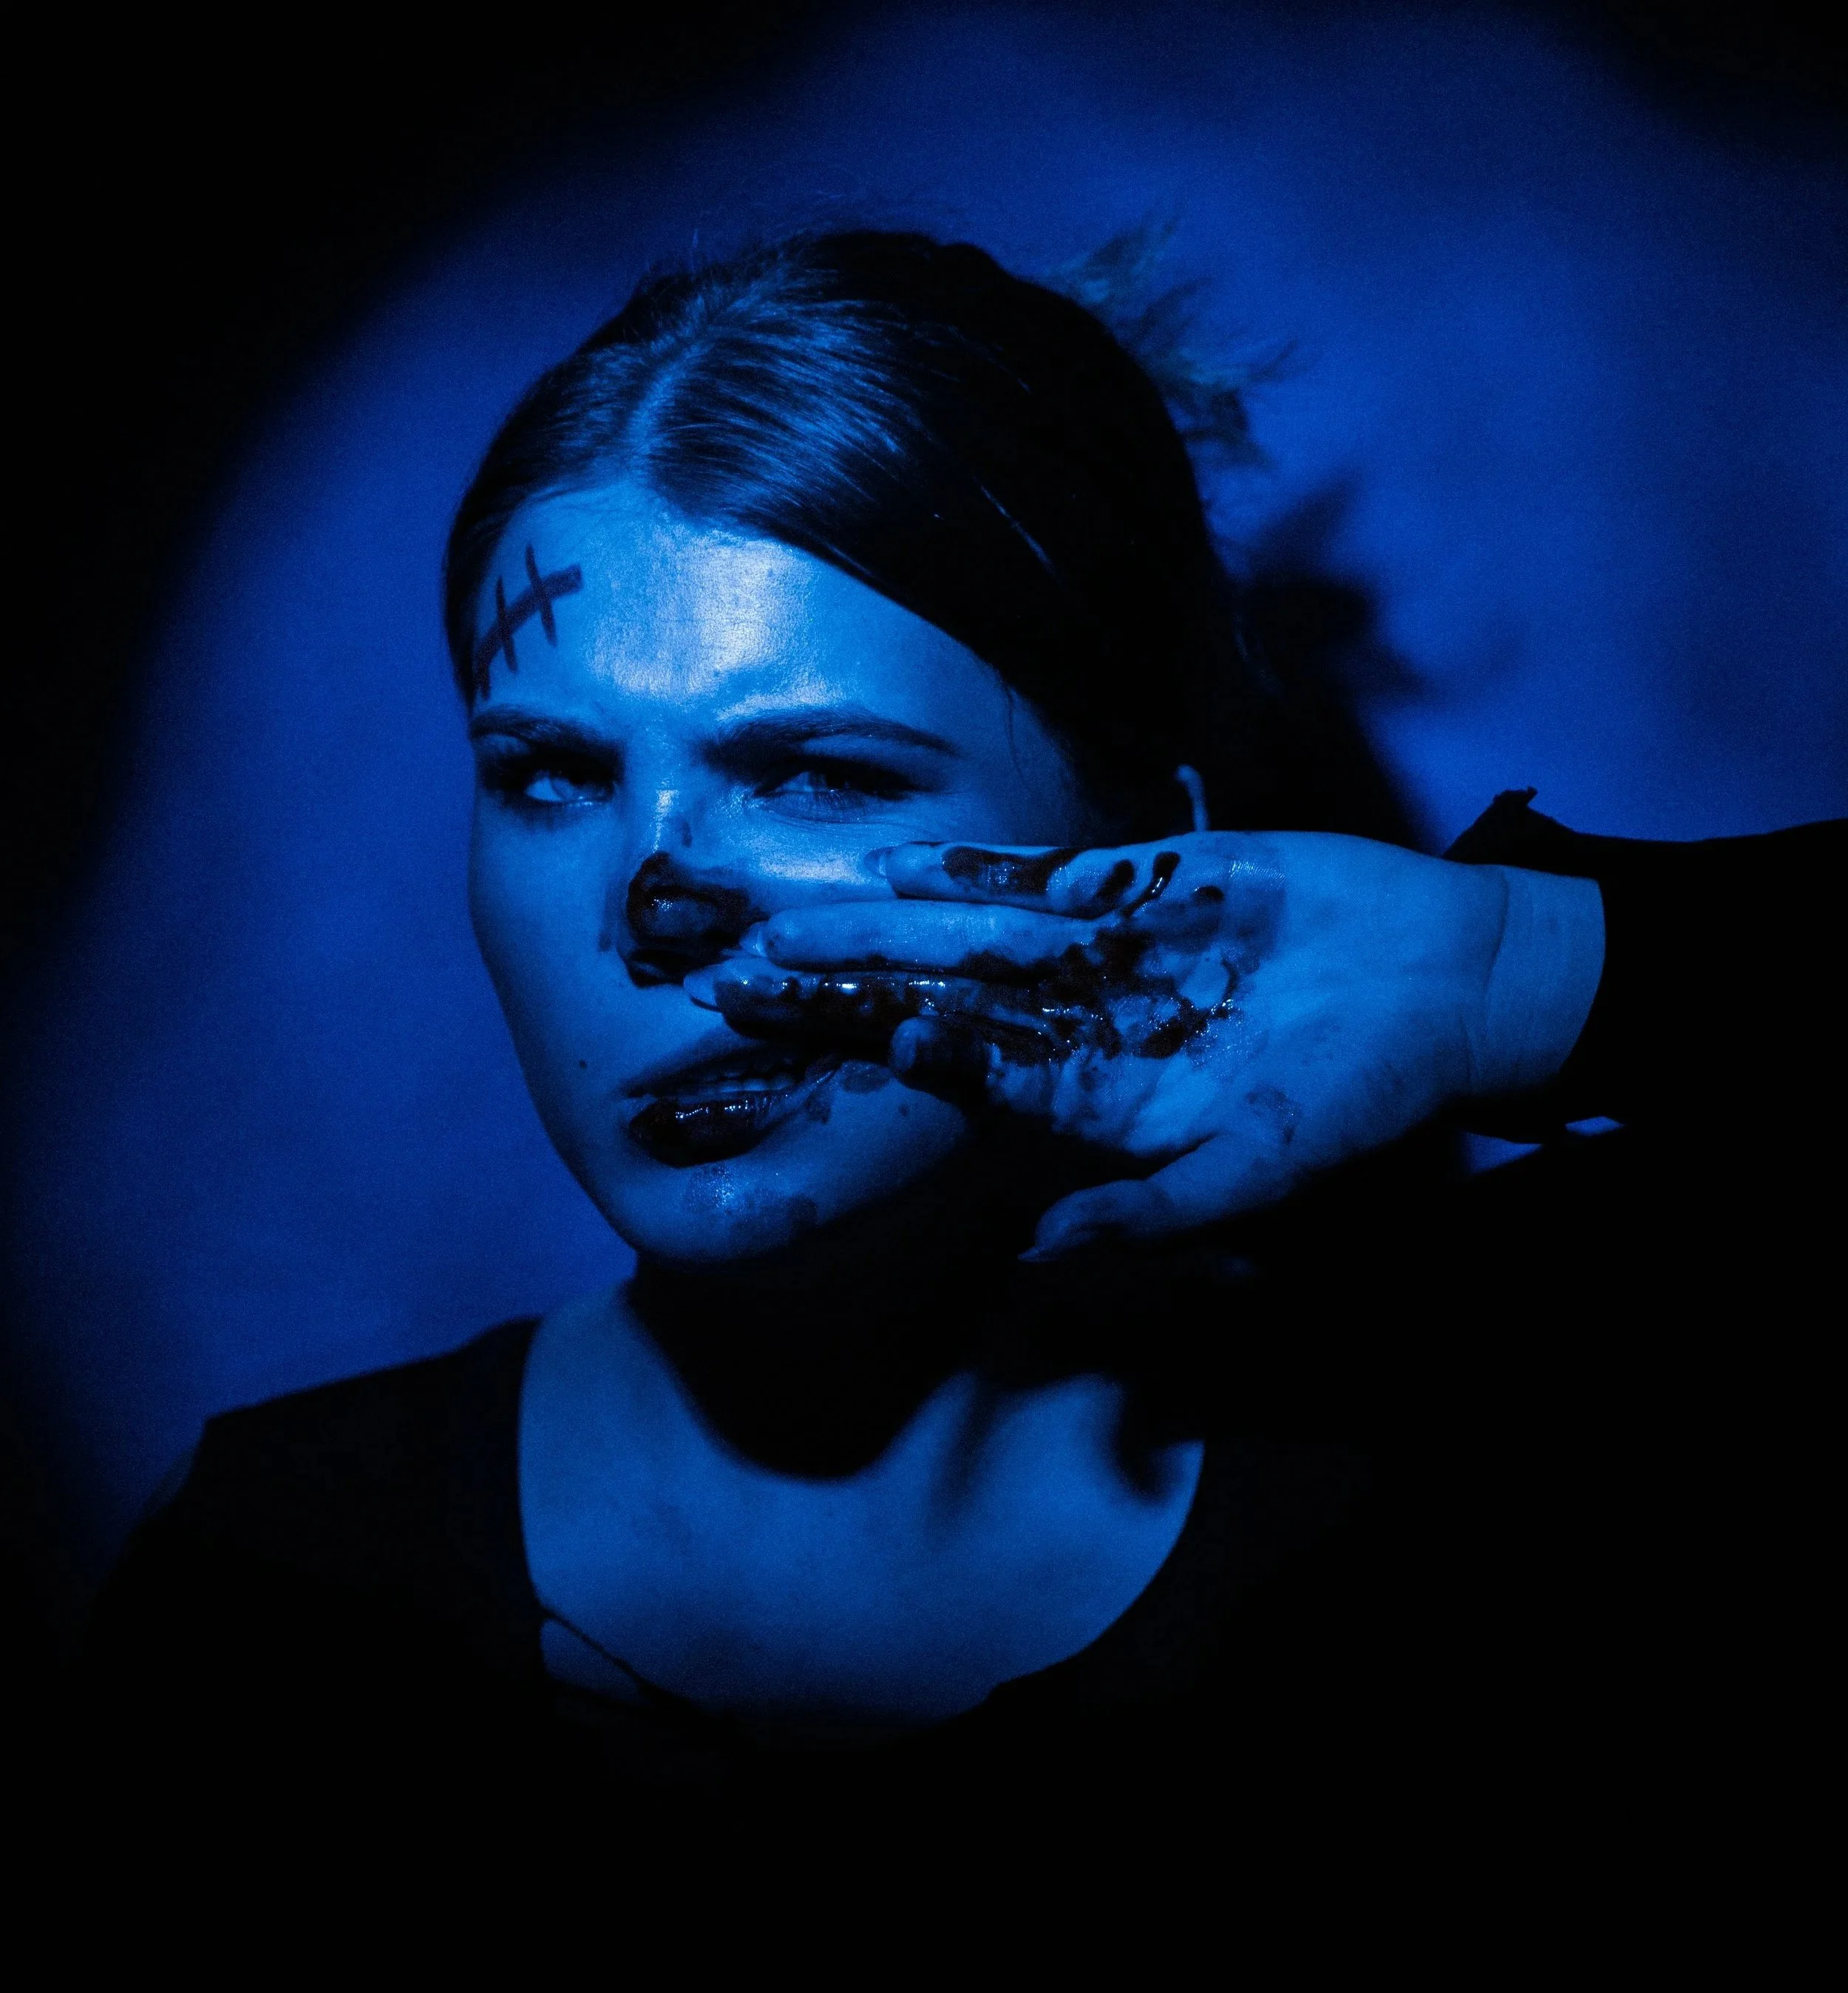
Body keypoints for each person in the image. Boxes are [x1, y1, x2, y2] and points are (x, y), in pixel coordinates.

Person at [89, 231, 1841, 1847]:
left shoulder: (1495, 1524)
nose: (650, 902)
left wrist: (1527, 964)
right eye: (549, 775)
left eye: (819, 772)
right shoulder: (285, 1586)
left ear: (1145, 849)